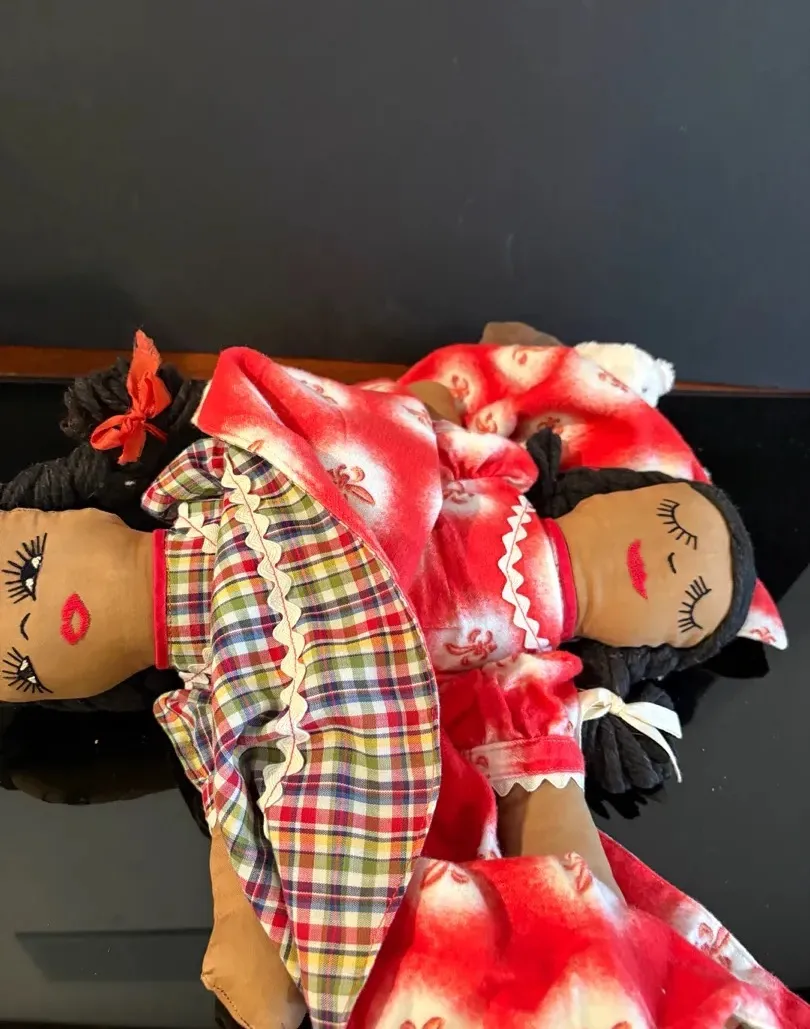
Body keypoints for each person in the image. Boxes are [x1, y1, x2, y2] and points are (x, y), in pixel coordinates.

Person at [0, 332, 796, 1028]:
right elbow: (417, 430)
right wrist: (411, 414)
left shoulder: (536, 673)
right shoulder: (506, 475)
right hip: (293, 522)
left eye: (690, 604)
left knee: (289, 767)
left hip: (317, 659)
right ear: (629, 490)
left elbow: (548, 797)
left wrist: (591, 921)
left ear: (654, 650)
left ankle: (261, 936)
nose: (671, 564)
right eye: (674, 524)